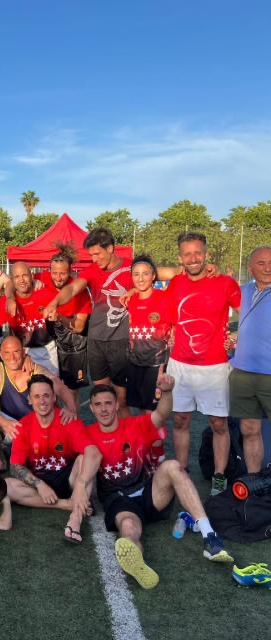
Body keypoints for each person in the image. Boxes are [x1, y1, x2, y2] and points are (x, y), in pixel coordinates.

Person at [86, 378, 233, 590]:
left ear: (117, 405)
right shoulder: (87, 434)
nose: (103, 409)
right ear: (91, 408)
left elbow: (162, 414)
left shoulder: (134, 425)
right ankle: (137, 562)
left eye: (108, 403)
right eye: (98, 404)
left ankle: (209, 535)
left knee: (173, 466)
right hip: (119, 500)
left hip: (151, 493)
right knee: (128, 527)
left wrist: (167, 392)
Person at [166, 232, 241, 495]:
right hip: (180, 365)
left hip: (214, 366)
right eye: (187, 254)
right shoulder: (175, 283)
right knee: (180, 420)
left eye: (198, 252)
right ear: (180, 258)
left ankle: (219, 476)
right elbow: (151, 273)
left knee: (218, 423)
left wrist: (238, 337)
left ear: (206, 254)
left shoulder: (225, 283)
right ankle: (182, 471)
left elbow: (248, 311)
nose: (193, 258)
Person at [44, 228, 133, 417]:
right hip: (96, 341)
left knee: (122, 399)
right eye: (91, 254)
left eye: (97, 254)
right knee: (101, 397)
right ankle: (106, 433)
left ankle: (125, 436)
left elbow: (159, 273)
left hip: (121, 341)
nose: (94, 259)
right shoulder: (92, 270)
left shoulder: (131, 267)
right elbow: (71, 289)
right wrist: (55, 302)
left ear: (110, 248)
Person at [5, 374, 101, 544]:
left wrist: (80, 485)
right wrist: (39, 485)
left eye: (46, 395)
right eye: (37, 396)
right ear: (29, 400)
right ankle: (67, 504)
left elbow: (94, 453)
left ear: (54, 397)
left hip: (69, 479)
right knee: (7, 486)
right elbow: (15, 466)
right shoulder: (24, 425)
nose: (42, 401)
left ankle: (75, 518)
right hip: (41, 481)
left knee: (84, 459)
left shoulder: (68, 420)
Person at [0, 336, 77, 470]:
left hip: (37, 426)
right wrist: (3, 422)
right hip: (12, 425)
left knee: (45, 463)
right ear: (1, 355)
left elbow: (59, 387)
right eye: (7, 353)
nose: (12, 357)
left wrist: (71, 409)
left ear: (24, 352)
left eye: (16, 351)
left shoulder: (36, 370)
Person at [229, 246, 271, 473]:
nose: (268, 268)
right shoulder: (241, 291)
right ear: (250, 267)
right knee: (249, 429)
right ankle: (255, 481)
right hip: (243, 374)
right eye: (261, 263)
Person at [35, 244, 92, 408]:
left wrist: (59, 317)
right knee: (48, 388)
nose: (58, 277)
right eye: (54, 273)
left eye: (63, 273)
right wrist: (32, 280)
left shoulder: (80, 291)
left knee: (71, 392)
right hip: (49, 343)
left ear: (71, 271)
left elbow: (79, 327)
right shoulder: (42, 278)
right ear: (49, 270)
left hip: (73, 345)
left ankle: (73, 421)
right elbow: (16, 280)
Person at [0, 261, 60, 373]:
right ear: (12, 280)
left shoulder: (45, 292)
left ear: (32, 276)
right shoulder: (6, 302)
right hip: (23, 354)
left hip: (48, 351)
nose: (22, 280)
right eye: (17, 277)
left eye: (25, 275)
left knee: (52, 383)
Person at [125, 255, 173, 413]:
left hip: (156, 364)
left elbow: (175, 326)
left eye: (145, 274)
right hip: (134, 362)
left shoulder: (165, 297)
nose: (140, 279)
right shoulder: (130, 300)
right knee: (141, 409)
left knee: (153, 412)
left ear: (153, 276)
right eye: (136, 274)